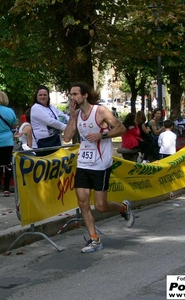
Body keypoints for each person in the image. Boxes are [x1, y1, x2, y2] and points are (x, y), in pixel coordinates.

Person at [63, 82, 135, 253]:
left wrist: (102, 135)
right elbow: (66, 137)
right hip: (83, 163)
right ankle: (94, 239)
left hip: (100, 164)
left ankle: (124, 208)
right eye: (70, 95)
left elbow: (121, 128)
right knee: (83, 202)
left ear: (85, 95)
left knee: (101, 207)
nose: (72, 98)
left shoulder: (100, 111)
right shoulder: (77, 115)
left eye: (75, 94)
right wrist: (73, 117)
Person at [30, 85, 69, 150]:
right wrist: (67, 128)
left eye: (45, 95)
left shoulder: (51, 107)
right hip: (43, 143)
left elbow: (62, 114)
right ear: (36, 96)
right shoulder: (36, 108)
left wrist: (71, 120)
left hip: (55, 140)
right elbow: (50, 121)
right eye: (40, 95)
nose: (43, 97)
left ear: (48, 96)